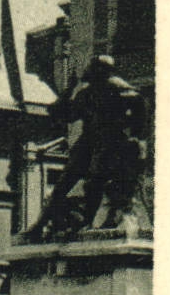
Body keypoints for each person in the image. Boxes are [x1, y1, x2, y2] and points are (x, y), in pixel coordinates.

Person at [26, 55, 148, 241]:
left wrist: (136, 136)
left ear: (103, 70)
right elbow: (62, 114)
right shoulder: (86, 93)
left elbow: (140, 105)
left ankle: (87, 222)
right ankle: (40, 224)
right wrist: (69, 88)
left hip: (109, 141)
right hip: (89, 141)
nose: (89, 71)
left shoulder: (115, 86)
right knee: (64, 183)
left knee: (94, 182)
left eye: (93, 68)